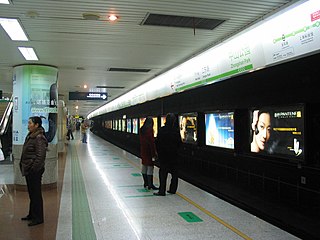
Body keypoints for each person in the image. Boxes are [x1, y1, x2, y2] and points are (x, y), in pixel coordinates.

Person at [20, 116, 48, 226]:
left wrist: (33, 168)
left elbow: (40, 156)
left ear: (36, 125)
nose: (28, 125)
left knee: (36, 194)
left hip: (34, 170)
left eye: (30, 123)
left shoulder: (39, 137)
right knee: (32, 193)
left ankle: (38, 218)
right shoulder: (31, 135)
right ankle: (32, 214)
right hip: (29, 169)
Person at [154, 113, 181, 196]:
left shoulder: (162, 130)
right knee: (174, 173)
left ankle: (162, 190)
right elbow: (179, 143)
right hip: (174, 155)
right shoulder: (176, 131)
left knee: (163, 173)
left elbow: (157, 143)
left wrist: (158, 153)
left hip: (164, 155)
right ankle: (172, 189)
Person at [139, 117, 158, 190]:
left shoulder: (141, 130)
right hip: (149, 151)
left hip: (143, 150)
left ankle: (145, 183)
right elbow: (152, 143)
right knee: (150, 167)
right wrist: (154, 153)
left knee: (144, 166)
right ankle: (150, 184)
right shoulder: (150, 130)